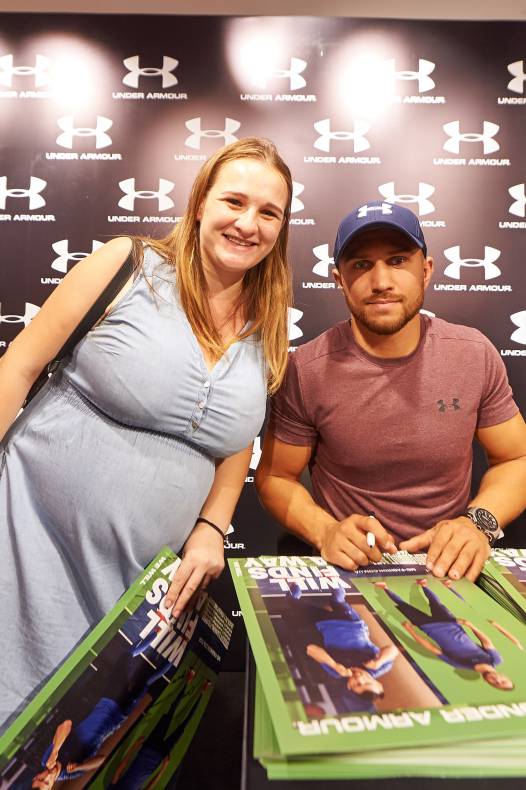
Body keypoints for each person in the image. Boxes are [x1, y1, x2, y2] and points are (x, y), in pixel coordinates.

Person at [0, 137, 293, 732]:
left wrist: (212, 528)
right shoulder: (126, 265)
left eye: (269, 213)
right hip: (29, 546)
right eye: (233, 201)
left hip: (136, 587)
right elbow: (20, 366)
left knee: (73, 750)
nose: (247, 223)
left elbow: (235, 441)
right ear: (199, 203)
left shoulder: (267, 324)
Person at [255, 200, 526, 583]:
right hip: (350, 572)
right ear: (339, 279)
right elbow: (275, 478)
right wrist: (326, 530)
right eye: (361, 265)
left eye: (398, 261)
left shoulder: (473, 354)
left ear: (426, 270)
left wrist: (476, 524)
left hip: (452, 571)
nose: (381, 281)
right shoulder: (306, 369)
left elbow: (517, 459)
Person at [374, 578, 521, 689]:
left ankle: (385, 588)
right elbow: (487, 642)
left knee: (404, 607)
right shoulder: (495, 660)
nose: (497, 680)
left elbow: (432, 649)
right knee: (435, 603)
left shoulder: (461, 665)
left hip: (428, 628)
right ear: (504, 675)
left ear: (488, 683)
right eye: (503, 680)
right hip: (452, 623)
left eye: (496, 684)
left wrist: (410, 631)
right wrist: (470, 625)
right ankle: (423, 585)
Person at [285, 583, 398, 711]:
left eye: (357, 685)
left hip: (324, 624)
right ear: (378, 683)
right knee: (337, 599)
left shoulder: (337, 672)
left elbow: (310, 649)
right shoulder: (379, 668)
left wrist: (334, 665)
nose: (359, 678)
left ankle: (293, 597)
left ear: (349, 687)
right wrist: (378, 661)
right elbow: (393, 650)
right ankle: (335, 587)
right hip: (351, 622)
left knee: (292, 602)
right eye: (367, 682)